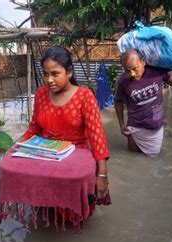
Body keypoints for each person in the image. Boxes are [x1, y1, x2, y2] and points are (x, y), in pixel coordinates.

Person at [20, 46, 110, 202]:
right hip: (46, 157)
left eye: (55, 74)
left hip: (75, 160)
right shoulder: (41, 94)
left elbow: (97, 138)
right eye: (45, 74)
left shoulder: (85, 96)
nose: (49, 80)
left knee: (71, 208)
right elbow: (34, 128)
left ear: (69, 72)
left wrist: (102, 175)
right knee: (45, 205)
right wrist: (17, 147)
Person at [114, 48, 172, 157]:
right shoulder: (122, 81)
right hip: (135, 129)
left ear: (143, 61)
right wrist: (121, 123)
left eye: (135, 68)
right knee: (132, 157)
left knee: (153, 161)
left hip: (155, 129)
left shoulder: (157, 72)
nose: (132, 74)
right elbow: (118, 101)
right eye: (127, 70)